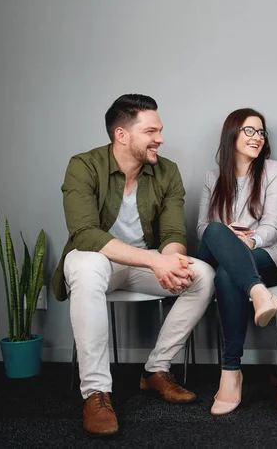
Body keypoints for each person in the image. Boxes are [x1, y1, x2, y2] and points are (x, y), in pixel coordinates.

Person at [51, 94, 215, 436]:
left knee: (201, 274)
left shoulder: (166, 170)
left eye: (160, 130)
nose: (160, 138)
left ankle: (156, 370)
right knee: (87, 265)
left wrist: (169, 261)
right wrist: (155, 260)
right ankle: (96, 392)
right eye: (151, 131)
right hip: (100, 263)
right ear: (122, 135)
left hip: (144, 265)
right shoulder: (83, 165)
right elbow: (84, 233)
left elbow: (172, 231)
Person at [197, 108, 277, 415]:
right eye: (249, 131)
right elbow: (202, 228)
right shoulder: (213, 177)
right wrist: (227, 235)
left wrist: (249, 241)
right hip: (223, 252)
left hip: (266, 254)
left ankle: (230, 373)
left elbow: (274, 224)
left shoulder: (273, 170)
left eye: (261, 132)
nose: (257, 137)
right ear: (232, 135)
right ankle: (258, 293)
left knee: (227, 274)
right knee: (214, 230)